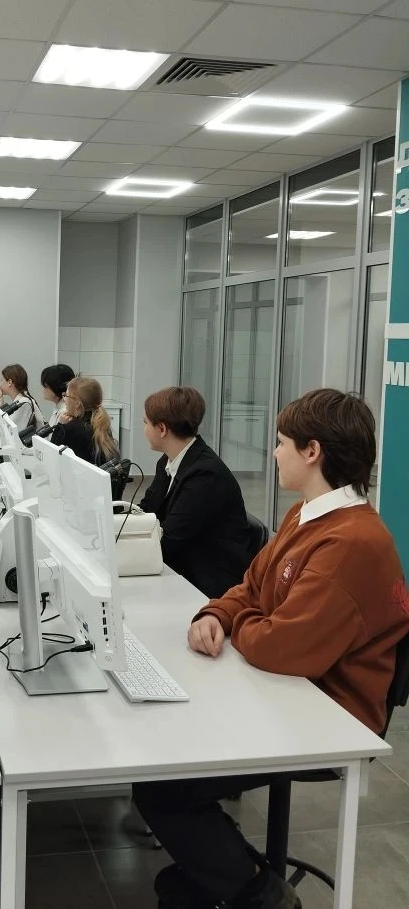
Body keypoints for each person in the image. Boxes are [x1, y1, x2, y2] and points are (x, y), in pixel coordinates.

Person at [132, 389, 409, 909]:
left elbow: (282, 647)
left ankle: (260, 895)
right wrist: (217, 613)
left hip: (328, 713)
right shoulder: (307, 514)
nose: (274, 453)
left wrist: (242, 621)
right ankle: (228, 873)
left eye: (281, 443)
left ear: (312, 451)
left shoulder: (352, 543)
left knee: (164, 785)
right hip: (290, 689)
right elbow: (250, 585)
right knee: (165, 759)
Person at [139, 386, 252, 599]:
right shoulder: (168, 461)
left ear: (161, 429)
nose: (144, 429)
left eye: (145, 423)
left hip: (207, 583)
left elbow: (169, 540)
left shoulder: (206, 475)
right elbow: (147, 511)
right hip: (181, 566)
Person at [51, 376, 118, 465]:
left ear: (77, 403)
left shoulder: (70, 428)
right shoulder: (101, 424)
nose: (64, 399)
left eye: (66, 395)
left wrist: (60, 425)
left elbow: (52, 456)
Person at [0, 364, 44, 434]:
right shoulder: (21, 400)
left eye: (2, 380)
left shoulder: (24, 403)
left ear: (9, 382)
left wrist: (0, 404)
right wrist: (1, 402)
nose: (0, 384)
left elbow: (8, 431)